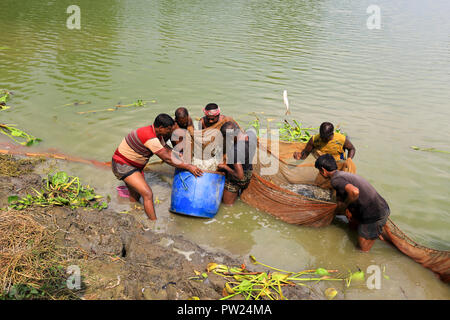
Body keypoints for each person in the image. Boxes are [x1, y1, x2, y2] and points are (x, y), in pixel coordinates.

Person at [112, 113, 203, 221]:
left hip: (131, 166)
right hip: (124, 165)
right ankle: (153, 224)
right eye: (168, 129)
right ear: (160, 128)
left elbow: (166, 148)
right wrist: (188, 167)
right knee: (147, 194)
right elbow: (167, 159)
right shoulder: (150, 138)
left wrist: (179, 155)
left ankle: (133, 214)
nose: (170, 132)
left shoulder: (155, 133)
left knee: (136, 196)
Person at [314, 154, 390, 252]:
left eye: (319, 171)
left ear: (323, 171)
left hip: (374, 214)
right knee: (351, 227)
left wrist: (345, 205)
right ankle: (371, 234)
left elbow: (354, 192)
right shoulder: (343, 175)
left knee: (361, 251)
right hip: (379, 206)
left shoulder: (335, 180)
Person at [217, 121, 257, 205]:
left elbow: (240, 176)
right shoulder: (251, 135)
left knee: (227, 206)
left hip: (237, 180)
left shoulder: (235, 151)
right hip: (249, 173)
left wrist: (225, 167)